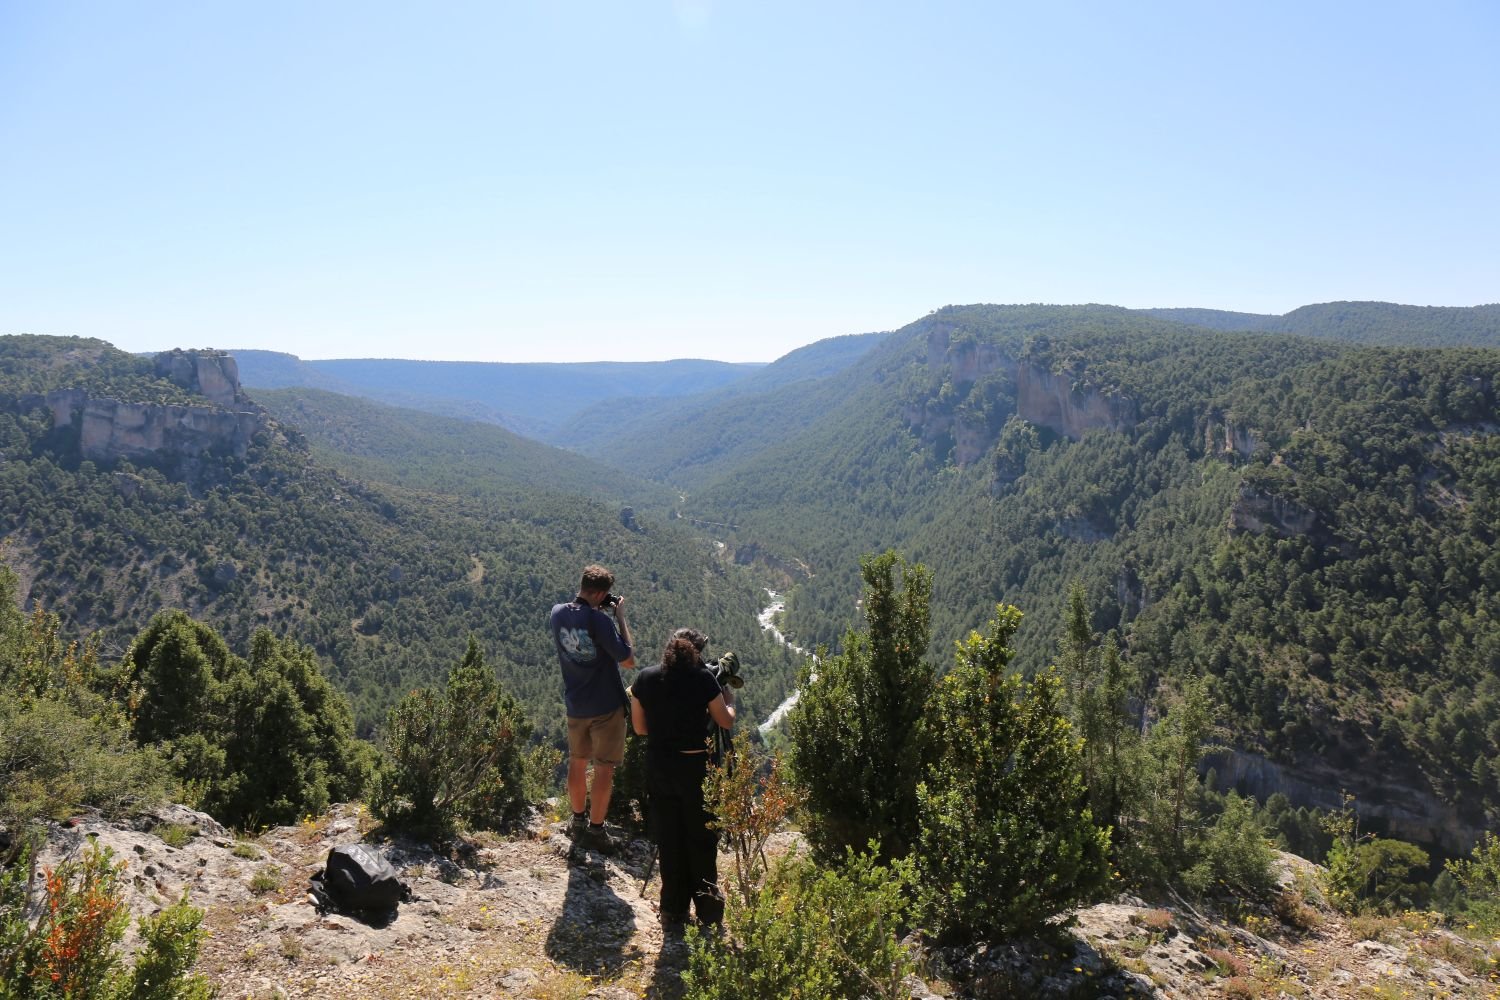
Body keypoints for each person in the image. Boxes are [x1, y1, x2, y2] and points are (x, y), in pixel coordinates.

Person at [630, 628, 735, 931]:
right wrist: (730, 699)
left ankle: (672, 910)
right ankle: (708, 912)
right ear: (697, 652)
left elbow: (640, 728)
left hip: (660, 767)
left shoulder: (646, 679)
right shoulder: (704, 679)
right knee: (701, 839)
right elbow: (725, 720)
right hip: (695, 766)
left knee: (669, 838)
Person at [549, 564, 636, 853]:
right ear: (600, 594)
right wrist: (619, 618)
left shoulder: (557, 613)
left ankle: (577, 820)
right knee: (603, 769)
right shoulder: (600, 621)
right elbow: (628, 659)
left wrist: (597, 611)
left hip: (576, 704)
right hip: (606, 706)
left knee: (577, 762)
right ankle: (596, 830)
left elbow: (580, 620)